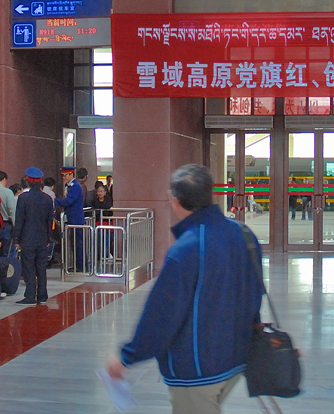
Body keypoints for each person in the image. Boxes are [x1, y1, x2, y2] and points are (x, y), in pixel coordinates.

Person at [105, 164, 265, 413]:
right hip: (236, 356)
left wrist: (128, 357)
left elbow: (161, 315)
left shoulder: (186, 250)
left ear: (176, 201)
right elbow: (255, 293)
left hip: (197, 367)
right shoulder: (242, 233)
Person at [13, 168, 54, 305]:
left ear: (29, 182)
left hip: (27, 238)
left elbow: (19, 220)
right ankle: (42, 295)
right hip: (42, 238)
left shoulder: (23, 198)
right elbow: (50, 221)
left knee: (29, 267)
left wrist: (17, 239)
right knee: (41, 267)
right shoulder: (48, 199)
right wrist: (49, 238)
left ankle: (30, 295)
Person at [55, 166, 86, 271]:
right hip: (73, 218)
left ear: (71, 174)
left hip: (76, 219)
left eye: (66, 175)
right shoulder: (71, 186)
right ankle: (78, 265)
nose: (64, 177)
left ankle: (81, 265)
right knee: (74, 243)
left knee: (78, 243)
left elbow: (69, 201)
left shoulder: (75, 186)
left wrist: (55, 201)